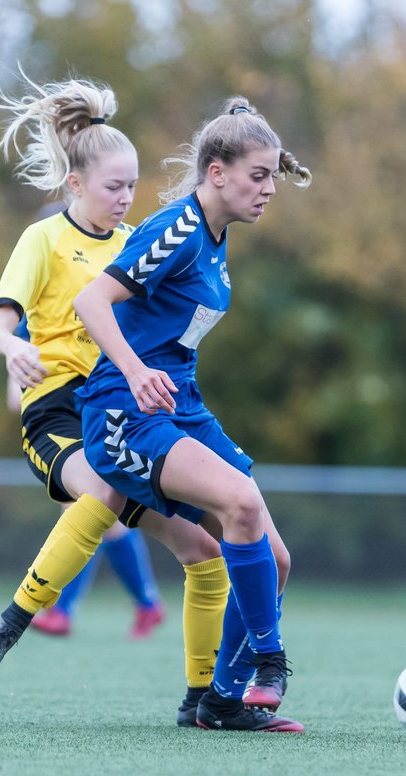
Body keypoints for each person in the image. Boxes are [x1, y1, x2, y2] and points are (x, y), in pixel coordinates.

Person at [0, 75, 235, 728]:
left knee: (205, 553)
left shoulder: (136, 241)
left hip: (115, 411)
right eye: (114, 186)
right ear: (75, 186)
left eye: (132, 186)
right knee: (104, 491)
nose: (126, 199)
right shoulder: (43, 240)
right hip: (58, 412)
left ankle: (200, 699)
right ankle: (10, 623)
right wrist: (13, 352)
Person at [73, 97, 312, 732]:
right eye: (258, 176)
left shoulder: (214, 237)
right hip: (124, 413)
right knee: (240, 503)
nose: (268, 190)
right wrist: (133, 368)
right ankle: (269, 658)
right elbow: (90, 300)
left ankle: (220, 704)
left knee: (275, 558)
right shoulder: (175, 231)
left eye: (272, 177)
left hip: (179, 408)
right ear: (216, 173)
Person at [4, 314, 166, 640]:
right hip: (69, 420)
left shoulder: (96, 305)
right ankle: (145, 603)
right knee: (103, 515)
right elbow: (14, 398)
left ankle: (63, 610)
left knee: (92, 510)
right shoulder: (37, 319)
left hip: (98, 419)